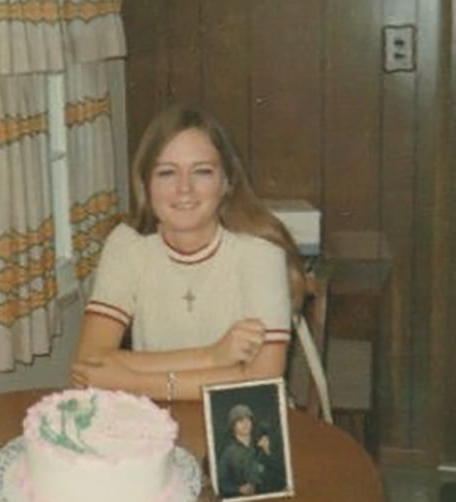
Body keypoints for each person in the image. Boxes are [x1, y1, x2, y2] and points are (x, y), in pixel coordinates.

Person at [71, 105, 305, 400]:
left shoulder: (260, 252)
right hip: (150, 421)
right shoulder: (127, 244)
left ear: (227, 182)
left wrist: (131, 381)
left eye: (202, 172)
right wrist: (212, 357)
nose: (184, 189)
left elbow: (261, 383)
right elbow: (88, 364)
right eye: (167, 173)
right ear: (145, 183)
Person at [217, 403, 285, 498]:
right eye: (240, 420)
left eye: (248, 419)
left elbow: (281, 477)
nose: (246, 424)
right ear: (233, 426)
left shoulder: (261, 446)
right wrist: (239, 489)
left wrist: (267, 452)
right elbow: (220, 482)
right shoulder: (228, 452)